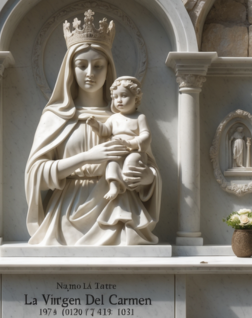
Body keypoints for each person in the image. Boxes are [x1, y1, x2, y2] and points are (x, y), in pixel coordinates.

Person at [24, 10, 161, 246]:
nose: (90, 73)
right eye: (81, 65)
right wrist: (86, 157)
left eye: (98, 66)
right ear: (70, 69)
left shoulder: (122, 119)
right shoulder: (55, 117)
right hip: (65, 216)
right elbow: (36, 176)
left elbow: (146, 165)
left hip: (118, 211)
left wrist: (148, 178)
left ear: (108, 69)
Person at [86, 76, 151, 201]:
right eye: (115, 97)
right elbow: (105, 131)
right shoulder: (114, 118)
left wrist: (132, 143)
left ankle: (129, 184)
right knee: (112, 163)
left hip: (135, 151)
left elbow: (146, 134)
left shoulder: (139, 117)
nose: (119, 100)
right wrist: (95, 124)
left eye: (124, 96)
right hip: (118, 150)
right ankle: (114, 186)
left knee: (131, 162)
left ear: (136, 98)